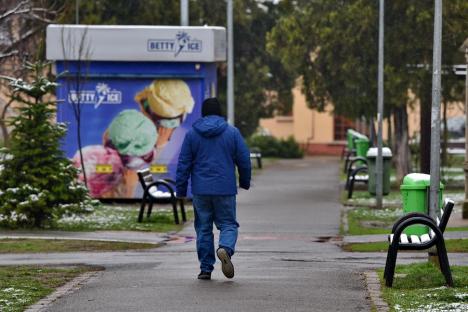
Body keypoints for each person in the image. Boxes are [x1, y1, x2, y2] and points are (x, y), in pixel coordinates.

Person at [176, 97, 251, 280]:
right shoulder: (232, 133)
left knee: (203, 228)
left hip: (201, 190)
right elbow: (244, 159)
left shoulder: (192, 134)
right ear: (220, 112)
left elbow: (184, 163)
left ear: (203, 113)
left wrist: (181, 189)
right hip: (225, 188)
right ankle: (225, 248)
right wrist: (244, 181)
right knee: (228, 224)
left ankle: (205, 268)